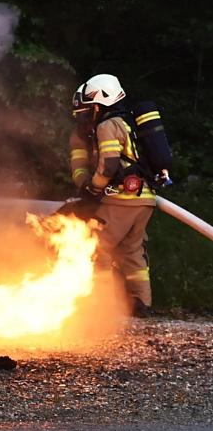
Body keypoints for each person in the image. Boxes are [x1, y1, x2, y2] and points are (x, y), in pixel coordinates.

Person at [68, 74, 156, 317]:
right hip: (144, 199)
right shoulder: (126, 123)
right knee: (131, 251)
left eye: (87, 110)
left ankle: (102, 304)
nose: (85, 117)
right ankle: (141, 304)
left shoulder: (107, 126)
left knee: (96, 246)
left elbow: (108, 166)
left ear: (98, 105)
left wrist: (93, 188)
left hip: (121, 199)